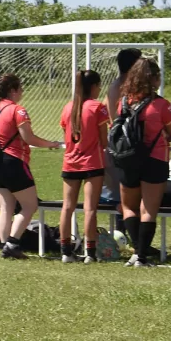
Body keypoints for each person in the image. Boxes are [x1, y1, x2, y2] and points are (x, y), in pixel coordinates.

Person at [0, 73, 62, 260]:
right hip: (13, 162)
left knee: (6, 206)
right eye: (21, 89)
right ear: (13, 90)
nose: (22, 92)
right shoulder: (17, 110)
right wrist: (51, 144)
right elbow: (28, 138)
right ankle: (12, 243)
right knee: (29, 205)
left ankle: (4, 245)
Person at [112, 57, 171, 266]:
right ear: (155, 79)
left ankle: (135, 253)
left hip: (126, 160)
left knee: (128, 207)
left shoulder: (123, 102)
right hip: (154, 160)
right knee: (148, 209)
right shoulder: (161, 105)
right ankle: (141, 255)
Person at [58, 69, 109, 263]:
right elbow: (104, 141)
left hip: (70, 162)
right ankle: (90, 253)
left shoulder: (68, 107)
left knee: (67, 207)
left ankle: (65, 251)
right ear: (94, 86)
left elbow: (66, 131)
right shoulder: (97, 108)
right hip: (92, 162)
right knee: (90, 209)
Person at [103, 48, 143, 201]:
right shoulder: (126, 86)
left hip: (116, 138)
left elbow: (104, 107)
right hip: (123, 141)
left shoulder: (115, 84)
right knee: (126, 189)